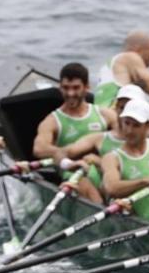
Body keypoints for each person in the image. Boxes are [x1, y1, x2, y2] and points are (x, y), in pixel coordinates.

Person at [32, 62, 114, 203]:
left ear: (87, 87)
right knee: (88, 190)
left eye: (76, 88)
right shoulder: (52, 121)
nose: (70, 93)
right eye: (66, 88)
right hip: (73, 173)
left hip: (103, 168)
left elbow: (125, 139)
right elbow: (39, 149)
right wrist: (72, 153)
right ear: (60, 88)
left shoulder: (104, 114)